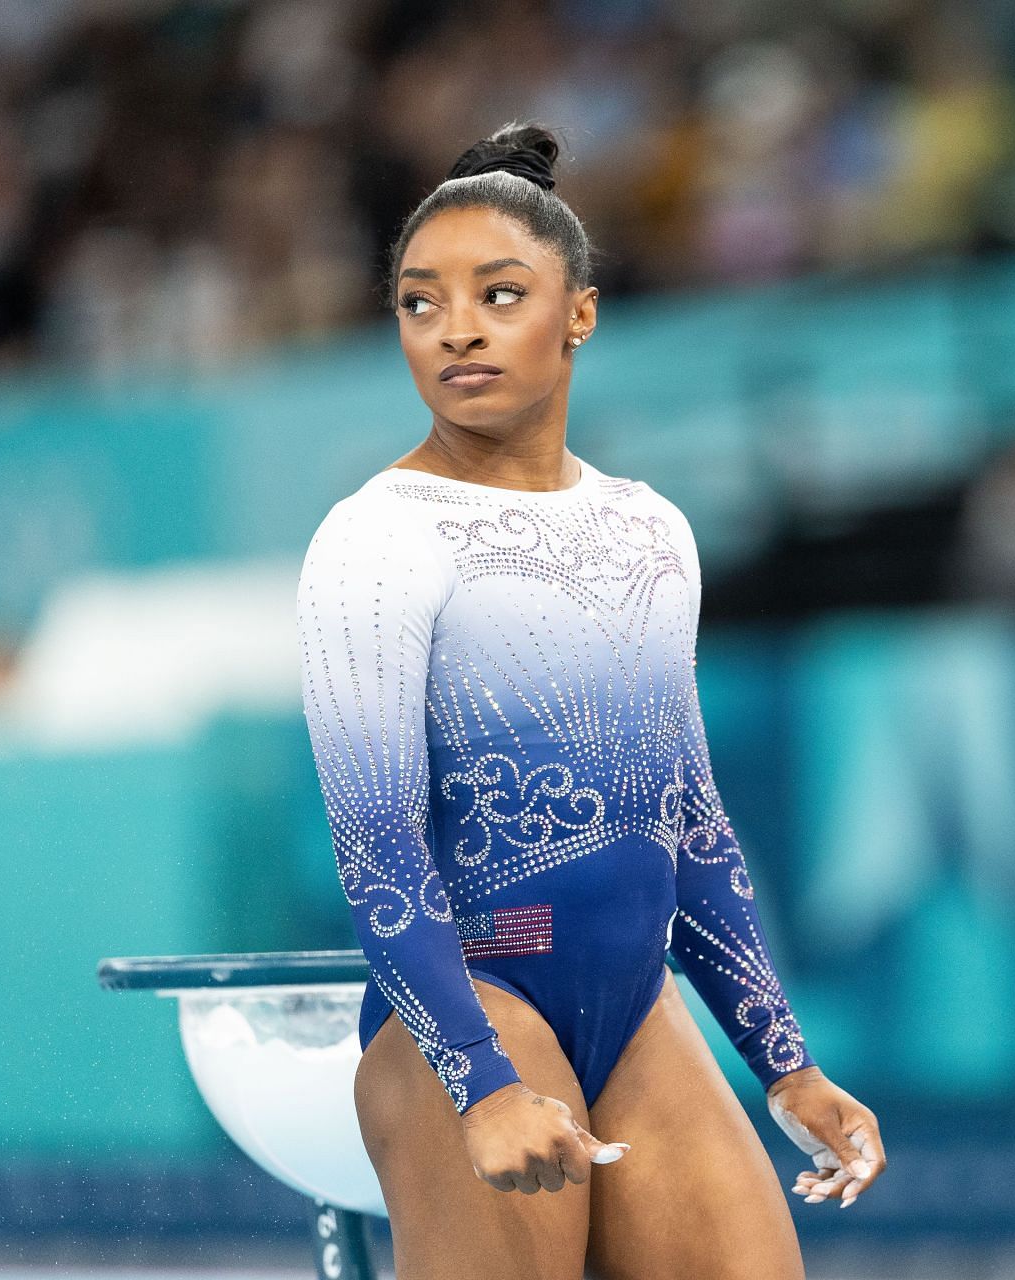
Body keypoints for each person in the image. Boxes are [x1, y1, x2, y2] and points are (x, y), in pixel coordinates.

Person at [295, 122, 886, 1279]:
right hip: (472, 1002)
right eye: (421, 304)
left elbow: (692, 819)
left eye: (499, 294)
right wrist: (479, 1076)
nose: (456, 328)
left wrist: (784, 1061)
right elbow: (374, 842)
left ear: (581, 313)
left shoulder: (652, 530)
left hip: (635, 1009)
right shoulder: (375, 540)